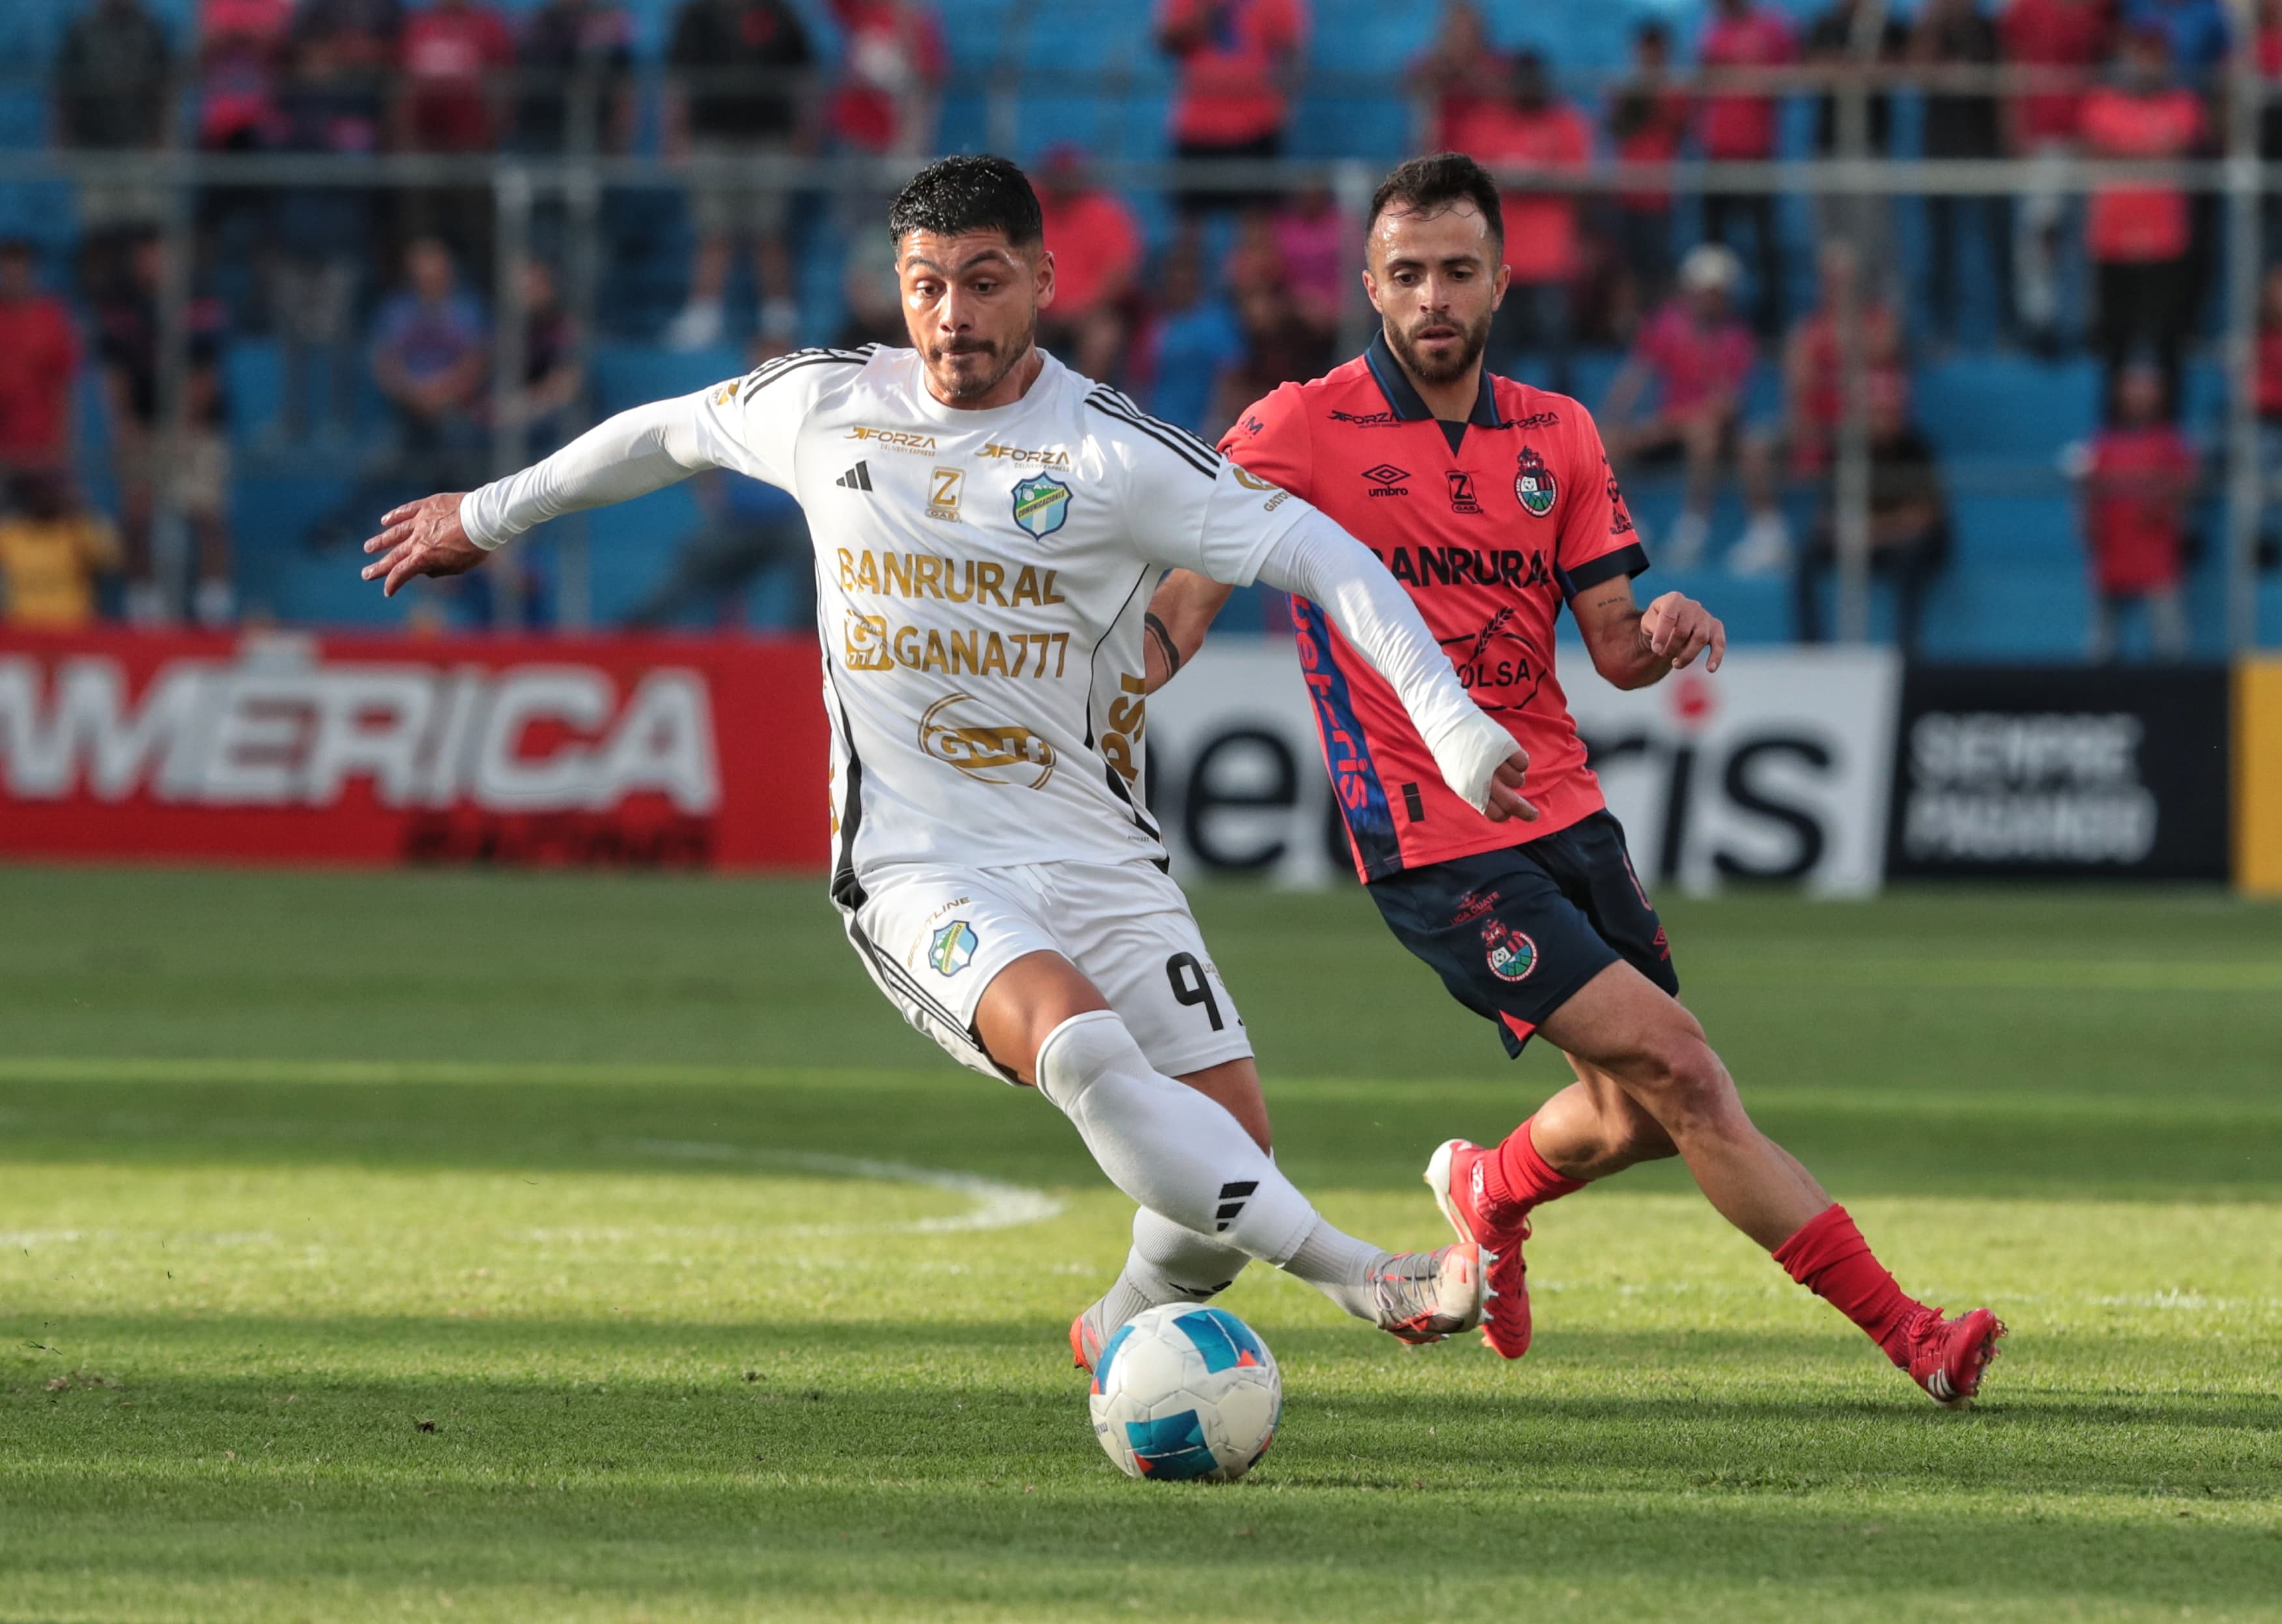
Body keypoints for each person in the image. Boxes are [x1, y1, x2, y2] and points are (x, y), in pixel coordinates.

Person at [355, 154, 1537, 1359]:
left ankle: (1112, 1333)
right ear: (896, 285)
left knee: (1226, 1168)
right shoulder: (825, 403)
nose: (952, 317)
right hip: (919, 862)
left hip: (1095, 850)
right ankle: (1365, 1274)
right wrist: (486, 513)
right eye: (926, 286)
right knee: (1078, 1048)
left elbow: (1326, 554)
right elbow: (664, 434)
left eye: (983, 283)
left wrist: (1449, 723)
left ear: (1042, 277)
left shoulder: (1108, 453)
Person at [1139, 152, 2005, 1408]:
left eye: (1454, 271)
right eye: (1404, 275)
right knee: (1690, 1068)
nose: (1430, 297)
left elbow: (1610, 642)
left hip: (1565, 811)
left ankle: (1491, 1186)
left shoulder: (1560, 433)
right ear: (1368, 287)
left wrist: (1658, 633)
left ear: (1498, 280)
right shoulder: (1296, 426)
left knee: (1644, 1107)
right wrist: (1099, 700)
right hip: (1431, 838)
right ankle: (1912, 1333)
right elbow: (1183, 604)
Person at [1737, 236, 1906, 577]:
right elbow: (1799, 383)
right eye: (1831, 278)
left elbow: (1880, 348)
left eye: (1845, 278)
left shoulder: (1880, 323)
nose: (1838, 286)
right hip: (1821, 425)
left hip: (1867, 429)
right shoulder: (1808, 329)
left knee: (1862, 437)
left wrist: (1829, 362)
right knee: (1755, 444)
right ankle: (1769, 531)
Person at [94, 234, 235, 625]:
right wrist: (124, 424)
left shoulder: (201, 303)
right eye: (148, 255)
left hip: (198, 426)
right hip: (142, 424)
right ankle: (144, 607)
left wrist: (180, 429)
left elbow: (206, 376)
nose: (155, 263)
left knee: (206, 514)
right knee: (137, 517)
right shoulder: (121, 307)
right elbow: (114, 373)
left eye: (163, 255)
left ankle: (214, 608)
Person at [663, 0, 817, 351]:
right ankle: (705, 313)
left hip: (770, 137)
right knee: (713, 230)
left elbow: (804, 79)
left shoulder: (781, 14)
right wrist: (675, 134)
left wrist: (805, 135)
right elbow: (678, 81)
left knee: (770, 229)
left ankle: (780, 315)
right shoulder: (696, 15)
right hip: (711, 137)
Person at [1600, 242, 1759, 568]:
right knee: (1605, 438)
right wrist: (1611, 417)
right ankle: (1628, 526)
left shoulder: (1737, 339)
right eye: (1703, 290)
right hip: (1671, 429)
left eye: (1715, 291)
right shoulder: (1667, 326)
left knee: (1704, 433)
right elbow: (1634, 378)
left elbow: (1727, 406)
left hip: (1713, 434)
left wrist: (1666, 425)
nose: (1708, 298)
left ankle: (1693, 528)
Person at [266, 28, 382, 447]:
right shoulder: (287, 102)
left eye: (325, 59)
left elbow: (356, 156)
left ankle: (338, 422)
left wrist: (310, 140)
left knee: (337, 339)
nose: (317, 68)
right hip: (292, 237)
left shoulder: (352, 102)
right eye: (309, 60)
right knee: (291, 341)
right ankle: (291, 422)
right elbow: (272, 152)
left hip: (339, 240)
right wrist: (319, 139)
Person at [2080, 25, 2203, 420]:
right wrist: (2149, 152)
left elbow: (2175, 155)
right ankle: (2112, 437)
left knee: (2169, 346)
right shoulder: (2100, 103)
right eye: (2139, 55)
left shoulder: (2183, 104)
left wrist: (2124, 152)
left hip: (2165, 243)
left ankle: (2170, 440)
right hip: (2112, 242)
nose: (2146, 65)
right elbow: (2095, 154)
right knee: (2114, 346)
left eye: (2155, 56)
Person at [1790, 371, 1949, 648]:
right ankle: (1810, 646)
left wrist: (1869, 531)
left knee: (1911, 558)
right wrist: (1885, 527)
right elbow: (1826, 520)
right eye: (1876, 413)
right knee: (1807, 555)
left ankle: (1907, 649)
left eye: (1888, 413)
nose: (1882, 421)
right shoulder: (1847, 449)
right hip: (1868, 538)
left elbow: (1923, 519)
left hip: (1897, 544)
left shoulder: (1917, 450)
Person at [1464, 55, 1592, 393]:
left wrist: (1535, 179)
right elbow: (1470, 183)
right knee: (1497, 357)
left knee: (1558, 354)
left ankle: (1567, 431)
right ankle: (1498, 431)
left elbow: (1581, 182)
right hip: (1499, 259)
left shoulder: (1566, 122)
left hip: (1550, 260)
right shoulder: (1488, 122)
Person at [2003, 0, 2109, 354]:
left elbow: (2107, 59)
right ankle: (2039, 319)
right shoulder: (2027, 8)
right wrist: (2016, 126)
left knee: (2090, 234)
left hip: (2091, 132)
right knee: (2040, 231)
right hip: (2043, 133)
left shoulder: (2099, 8)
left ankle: (2088, 321)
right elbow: (2011, 64)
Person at [2073, 359, 2195, 660]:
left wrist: (2161, 501)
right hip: (2112, 554)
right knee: (2101, 648)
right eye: (2132, 387)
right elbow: (2086, 494)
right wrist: (2087, 525)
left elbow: (2188, 484)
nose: (2139, 395)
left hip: (2155, 555)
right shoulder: (2103, 443)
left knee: (2171, 648)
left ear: (2160, 394)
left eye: (2147, 387)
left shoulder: (2170, 442)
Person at [1155, 0, 1309, 230]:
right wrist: (1204, 14)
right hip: (1198, 125)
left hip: (1257, 125)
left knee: (1257, 224)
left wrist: (1284, 109)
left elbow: (1292, 52)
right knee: (1188, 227)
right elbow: (1165, 41)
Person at [1913, 0, 2011, 349]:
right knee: (1942, 248)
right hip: (1942, 150)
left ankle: (2008, 329)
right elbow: (1919, 72)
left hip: (1986, 149)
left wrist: (2011, 142)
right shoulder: (1931, 30)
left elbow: (2004, 87)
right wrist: (1931, 26)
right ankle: (1943, 330)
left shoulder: (1988, 30)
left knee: (2000, 245)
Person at [1696, 0, 1797, 337]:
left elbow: (1791, 77)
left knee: (1765, 245)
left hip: (1756, 150)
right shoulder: (1711, 30)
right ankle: (1713, 327)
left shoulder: (1771, 28)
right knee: (1713, 247)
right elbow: (1702, 82)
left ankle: (1771, 326)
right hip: (1717, 151)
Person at [54, 0, 177, 249]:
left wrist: (161, 140)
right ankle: (97, 289)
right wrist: (61, 140)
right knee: (98, 237)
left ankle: (140, 290)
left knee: (143, 235)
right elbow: (63, 91)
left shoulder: (150, 29)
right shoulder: (82, 30)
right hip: (92, 149)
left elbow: (164, 89)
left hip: (139, 147)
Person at [1801, 0, 1905, 285]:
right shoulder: (1824, 24)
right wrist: (1856, 66)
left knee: (1873, 235)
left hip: (1871, 146)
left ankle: (1878, 311)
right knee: (1829, 238)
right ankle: (1833, 309)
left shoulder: (1886, 26)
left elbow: (1899, 64)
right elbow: (1814, 66)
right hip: (1828, 143)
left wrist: (1856, 62)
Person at [1605, 21, 1691, 335]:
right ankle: (1626, 324)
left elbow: (1682, 127)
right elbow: (1615, 127)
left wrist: (1651, 98)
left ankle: (1662, 327)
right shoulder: (1624, 87)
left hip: (1659, 191)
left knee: (1658, 265)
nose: (1651, 55)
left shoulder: (1675, 90)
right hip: (1628, 189)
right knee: (1626, 264)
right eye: (1647, 47)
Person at [1034, 148, 1145, 385]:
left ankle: (1084, 407)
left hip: (1088, 314)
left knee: (1103, 336)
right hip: (1037, 311)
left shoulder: (1106, 213)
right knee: (1007, 328)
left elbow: (1121, 275)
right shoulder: (1029, 209)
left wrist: (1079, 309)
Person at [0, 240, 81, 482]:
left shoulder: (51, 319)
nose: (14, 276)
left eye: (20, 269)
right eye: (8, 269)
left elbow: (65, 387)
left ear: (31, 272)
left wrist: (64, 445)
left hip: (44, 449)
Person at [0, 470, 121, 630]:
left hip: (71, 625)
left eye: (51, 493)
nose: (46, 499)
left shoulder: (76, 530)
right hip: (24, 626)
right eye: (40, 494)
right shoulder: (12, 533)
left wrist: (80, 516)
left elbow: (111, 560)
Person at [1409, 0, 1509, 154]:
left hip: (1486, 148)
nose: (1462, 36)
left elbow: (1505, 92)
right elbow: (1410, 84)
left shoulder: (1494, 64)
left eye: (1467, 29)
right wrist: (1444, 72)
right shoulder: (1432, 63)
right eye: (1456, 29)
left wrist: (1469, 74)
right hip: (1441, 146)